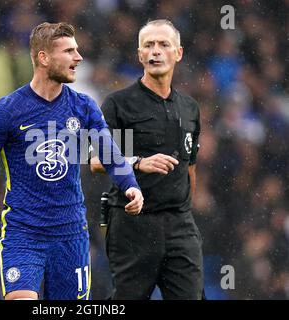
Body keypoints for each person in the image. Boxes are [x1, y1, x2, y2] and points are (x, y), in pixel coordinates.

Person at [0, 22, 144, 300]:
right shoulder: (7, 111)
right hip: (23, 233)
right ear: (43, 58)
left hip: (70, 235)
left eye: (77, 50)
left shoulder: (84, 106)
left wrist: (131, 186)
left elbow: (110, 154)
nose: (78, 57)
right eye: (68, 51)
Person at [90, 19, 203, 300]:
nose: (156, 51)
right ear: (139, 55)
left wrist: (187, 217)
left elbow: (191, 166)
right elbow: (95, 161)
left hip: (180, 226)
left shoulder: (189, 107)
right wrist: (139, 162)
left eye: (164, 44)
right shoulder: (118, 104)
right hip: (133, 225)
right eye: (148, 45)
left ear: (178, 53)